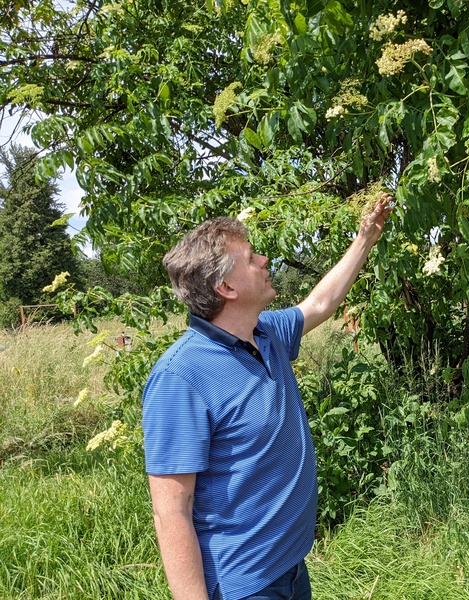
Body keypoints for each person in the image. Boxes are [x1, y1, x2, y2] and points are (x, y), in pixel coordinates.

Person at [142, 194, 393, 600]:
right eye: (251, 258)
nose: (263, 262)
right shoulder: (181, 376)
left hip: (291, 565)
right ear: (225, 287)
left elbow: (320, 303)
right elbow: (171, 512)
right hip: (244, 584)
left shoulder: (266, 332)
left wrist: (366, 237)